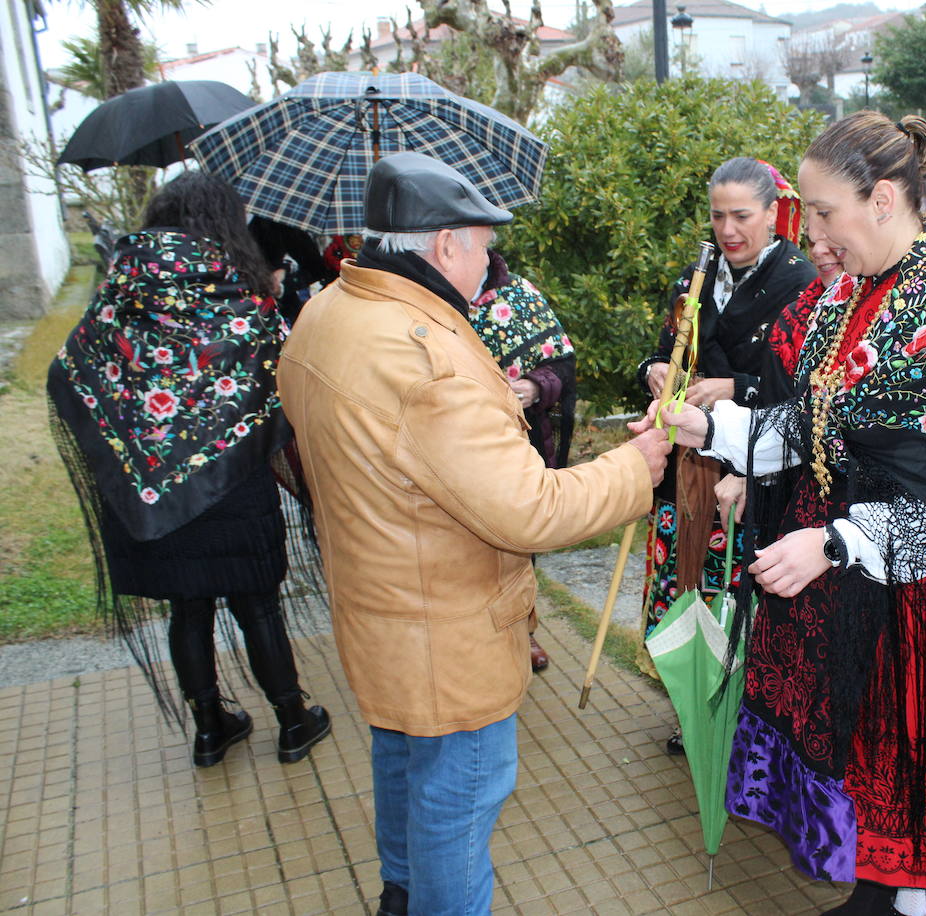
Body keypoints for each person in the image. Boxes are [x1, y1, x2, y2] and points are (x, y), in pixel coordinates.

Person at [637, 112, 926, 916]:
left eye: (822, 213)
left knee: (915, 765)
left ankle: (901, 901)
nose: (811, 234)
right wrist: (708, 428)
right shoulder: (847, 295)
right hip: (859, 577)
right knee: (869, 752)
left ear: (883, 198)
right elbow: (810, 425)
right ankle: (880, 892)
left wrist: (837, 541)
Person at [275, 151, 670, 916]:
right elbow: (529, 510)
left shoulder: (326, 313)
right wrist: (635, 466)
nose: (490, 263)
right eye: (485, 246)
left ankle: (400, 894)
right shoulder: (422, 358)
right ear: (446, 243)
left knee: (401, 761)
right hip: (444, 630)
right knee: (458, 800)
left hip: (378, 605)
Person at [47, 171, 332, 768]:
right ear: (224, 223)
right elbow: (290, 380)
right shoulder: (242, 300)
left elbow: (69, 369)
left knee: (187, 607)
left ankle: (209, 729)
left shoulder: (118, 293)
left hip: (148, 489)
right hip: (232, 483)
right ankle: (291, 720)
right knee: (257, 603)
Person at [635, 157, 817, 753]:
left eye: (742, 215)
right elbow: (664, 352)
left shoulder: (801, 281)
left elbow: (810, 392)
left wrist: (738, 390)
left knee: (742, 595)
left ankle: (744, 720)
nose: (728, 229)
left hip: (753, 468)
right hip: (688, 466)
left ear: (773, 212)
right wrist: (656, 370)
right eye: (718, 216)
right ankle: (695, 707)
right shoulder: (698, 275)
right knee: (686, 584)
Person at [467, 250, 578, 672]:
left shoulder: (519, 293)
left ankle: (524, 630)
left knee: (518, 541)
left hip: (518, 443)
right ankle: (478, 636)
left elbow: (562, 364)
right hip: (455, 446)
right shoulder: (430, 300)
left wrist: (534, 385)